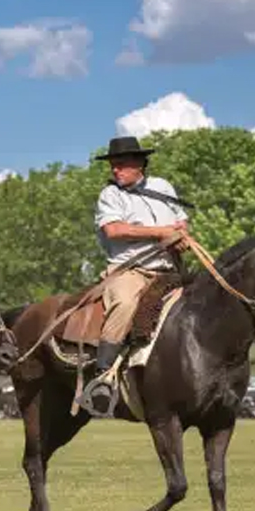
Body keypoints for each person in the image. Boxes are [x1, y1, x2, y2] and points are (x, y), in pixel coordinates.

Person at [82, 136, 191, 411]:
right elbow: (114, 230)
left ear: (139, 164)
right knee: (124, 303)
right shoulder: (111, 195)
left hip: (170, 270)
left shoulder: (163, 186)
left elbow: (180, 220)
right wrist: (163, 233)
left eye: (120, 165)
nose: (115, 170)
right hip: (130, 271)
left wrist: (181, 233)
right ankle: (102, 378)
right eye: (112, 166)